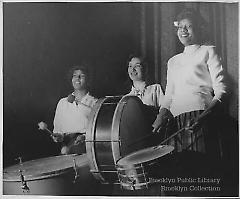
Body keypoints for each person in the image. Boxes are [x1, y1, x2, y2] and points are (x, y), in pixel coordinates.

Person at [152, 8, 227, 178]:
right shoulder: (173, 61)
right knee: (179, 177)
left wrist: (204, 116)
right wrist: (161, 115)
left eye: (189, 26)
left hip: (201, 119)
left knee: (201, 175)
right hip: (176, 123)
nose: (183, 30)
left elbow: (221, 90)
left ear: (199, 29)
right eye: (180, 27)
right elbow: (169, 94)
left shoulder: (208, 51)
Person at [52, 65, 97, 155]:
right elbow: (57, 130)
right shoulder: (62, 102)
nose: (78, 78)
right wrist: (58, 136)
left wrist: (84, 137)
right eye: (75, 75)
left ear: (88, 80)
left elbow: (98, 130)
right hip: (66, 147)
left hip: (87, 146)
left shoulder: (95, 103)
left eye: (82, 76)